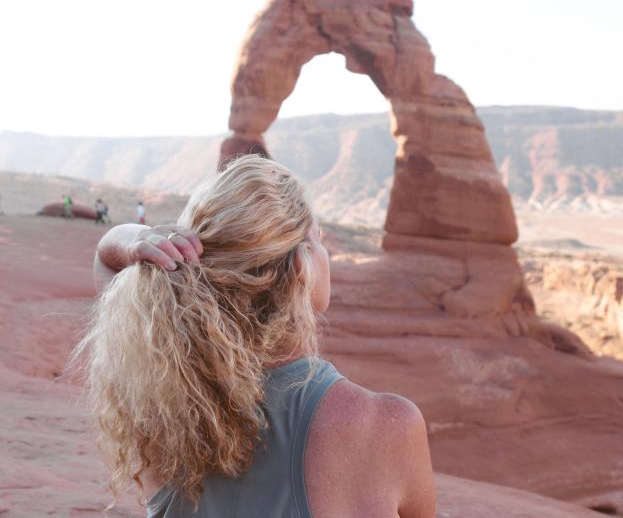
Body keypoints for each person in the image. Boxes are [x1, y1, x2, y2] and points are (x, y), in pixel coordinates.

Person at [72, 154, 435, 517]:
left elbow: (108, 259)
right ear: (301, 268)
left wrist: (143, 240)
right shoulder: (385, 426)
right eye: (318, 239)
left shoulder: (164, 398)